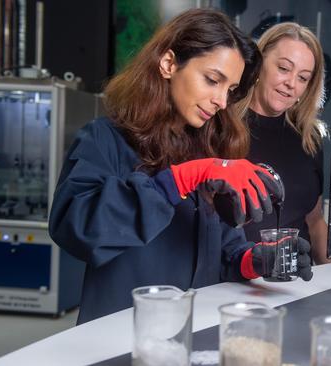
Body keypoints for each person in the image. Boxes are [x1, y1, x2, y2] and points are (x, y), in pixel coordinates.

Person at [48, 9, 312, 324]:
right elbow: (75, 229)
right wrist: (180, 179)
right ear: (169, 63)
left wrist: (254, 260)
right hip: (123, 337)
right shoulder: (106, 139)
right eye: (212, 80)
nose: (221, 101)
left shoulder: (206, 148)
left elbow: (222, 251)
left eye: (229, 89)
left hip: (196, 331)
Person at [238, 22, 331, 264]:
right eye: (283, 68)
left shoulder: (309, 138)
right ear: (259, 63)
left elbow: (314, 220)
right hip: (233, 280)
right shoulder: (223, 127)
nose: (291, 83)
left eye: (302, 78)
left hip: (296, 280)